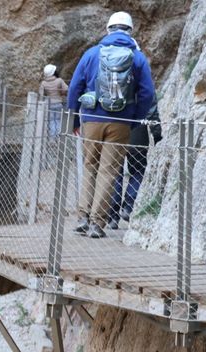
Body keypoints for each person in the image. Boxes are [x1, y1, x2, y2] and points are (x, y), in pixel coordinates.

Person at [67, 11, 155, 238]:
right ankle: (97, 224)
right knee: (109, 172)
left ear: (108, 29)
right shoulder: (137, 57)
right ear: (130, 31)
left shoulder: (91, 54)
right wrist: (134, 118)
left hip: (91, 119)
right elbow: (147, 94)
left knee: (89, 167)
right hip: (121, 122)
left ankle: (83, 218)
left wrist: (76, 118)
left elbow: (75, 87)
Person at [107, 103, 162, 229]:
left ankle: (112, 216)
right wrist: (157, 133)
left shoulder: (110, 82)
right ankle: (128, 206)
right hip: (138, 131)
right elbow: (151, 109)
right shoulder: (142, 82)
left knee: (115, 173)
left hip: (114, 130)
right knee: (138, 170)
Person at [39, 64, 68, 137]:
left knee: (51, 121)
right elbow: (66, 89)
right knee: (58, 120)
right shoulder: (59, 80)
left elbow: (41, 94)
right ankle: (58, 137)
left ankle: (52, 137)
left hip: (49, 104)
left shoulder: (43, 83)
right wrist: (61, 93)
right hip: (58, 102)